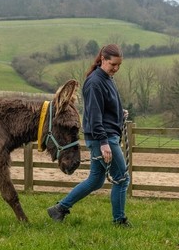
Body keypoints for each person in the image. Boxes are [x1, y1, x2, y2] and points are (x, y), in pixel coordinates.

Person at [47, 44, 131, 227]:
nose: (115, 69)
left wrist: (119, 112)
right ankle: (119, 220)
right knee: (122, 178)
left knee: (95, 180)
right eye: (113, 64)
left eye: (118, 65)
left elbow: (103, 108)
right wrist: (103, 143)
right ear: (102, 59)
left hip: (105, 136)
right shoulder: (94, 82)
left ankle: (59, 209)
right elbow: (94, 116)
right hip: (104, 138)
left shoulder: (107, 78)